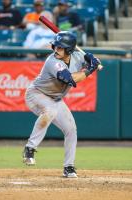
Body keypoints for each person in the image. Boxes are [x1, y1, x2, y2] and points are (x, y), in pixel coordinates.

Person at [22, 31, 102, 178]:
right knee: (50, 112)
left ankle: (69, 167)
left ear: (70, 50)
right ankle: (30, 148)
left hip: (55, 99)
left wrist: (91, 59)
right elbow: (71, 79)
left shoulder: (77, 56)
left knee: (71, 129)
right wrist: (91, 69)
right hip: (37, 94)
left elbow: (87, 59)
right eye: (55, 46)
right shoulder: (52, 61)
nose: (56, 50)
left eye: (60, 47)